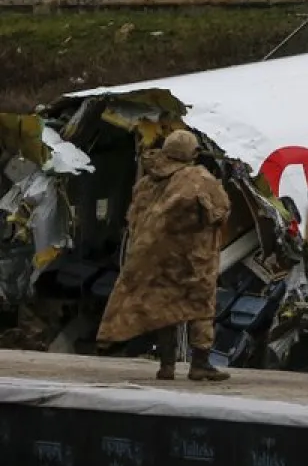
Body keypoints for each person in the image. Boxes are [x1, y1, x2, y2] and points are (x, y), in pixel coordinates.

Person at [97, 129, 231, 382]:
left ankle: (166, 366)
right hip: (195, 257)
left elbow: (134, 217)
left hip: (158, 258)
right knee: (201, 308)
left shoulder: (148, 180)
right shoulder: (198, 177)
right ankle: (200, 364)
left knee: (164, 309)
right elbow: (220, 210)